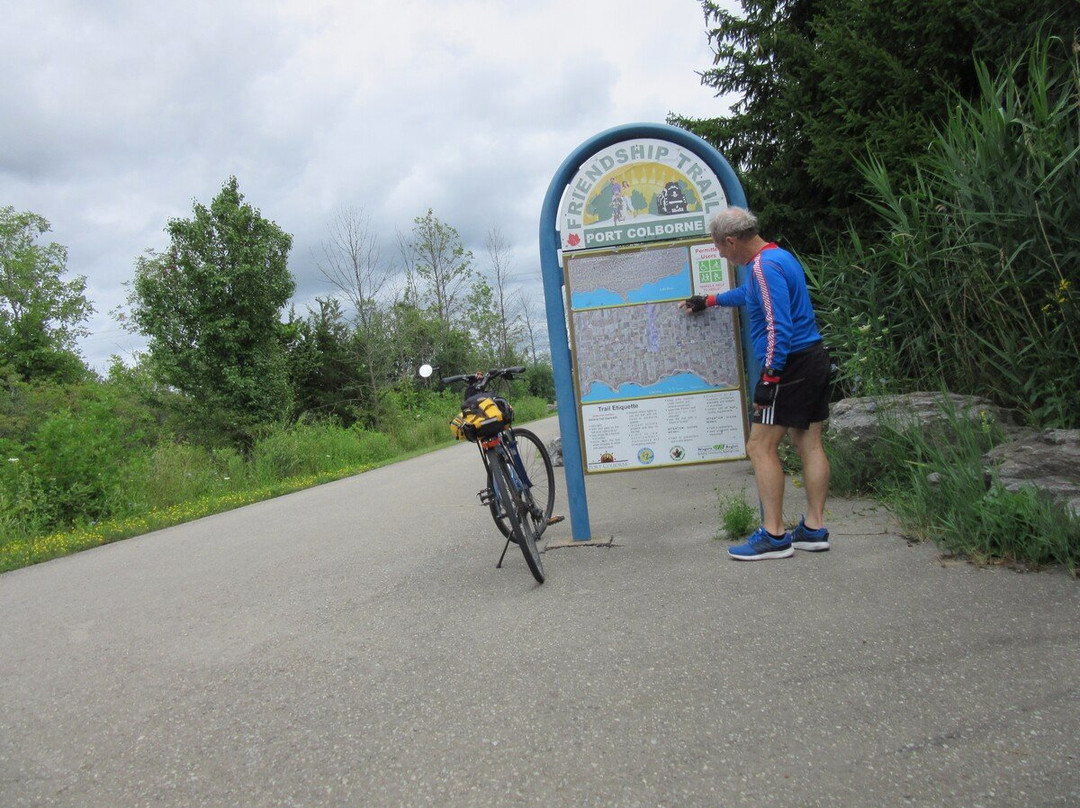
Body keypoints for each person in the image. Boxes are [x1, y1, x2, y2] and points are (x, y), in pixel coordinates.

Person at [681, 207, 832, 561]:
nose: (721, 255)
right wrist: (710, 300)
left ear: (731, 241)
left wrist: (769, 377)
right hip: (812, 358)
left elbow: (779, 325)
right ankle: (814, 529)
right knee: (808, 442)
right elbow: (750, 295)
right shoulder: (779, 257)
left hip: (789, 365)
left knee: (760, 446)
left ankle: (774, 535)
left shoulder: (763, 267)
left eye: (720, 248)